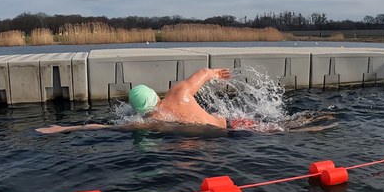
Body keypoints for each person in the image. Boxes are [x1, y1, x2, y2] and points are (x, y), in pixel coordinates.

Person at [36, 68, 238, 134]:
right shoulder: (180, 92)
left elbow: (101, 127)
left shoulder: (152, 121)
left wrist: (63, 128)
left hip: (217, 138)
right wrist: (216, 73)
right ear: (154, 94)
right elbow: (203, 72)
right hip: (228, 124)